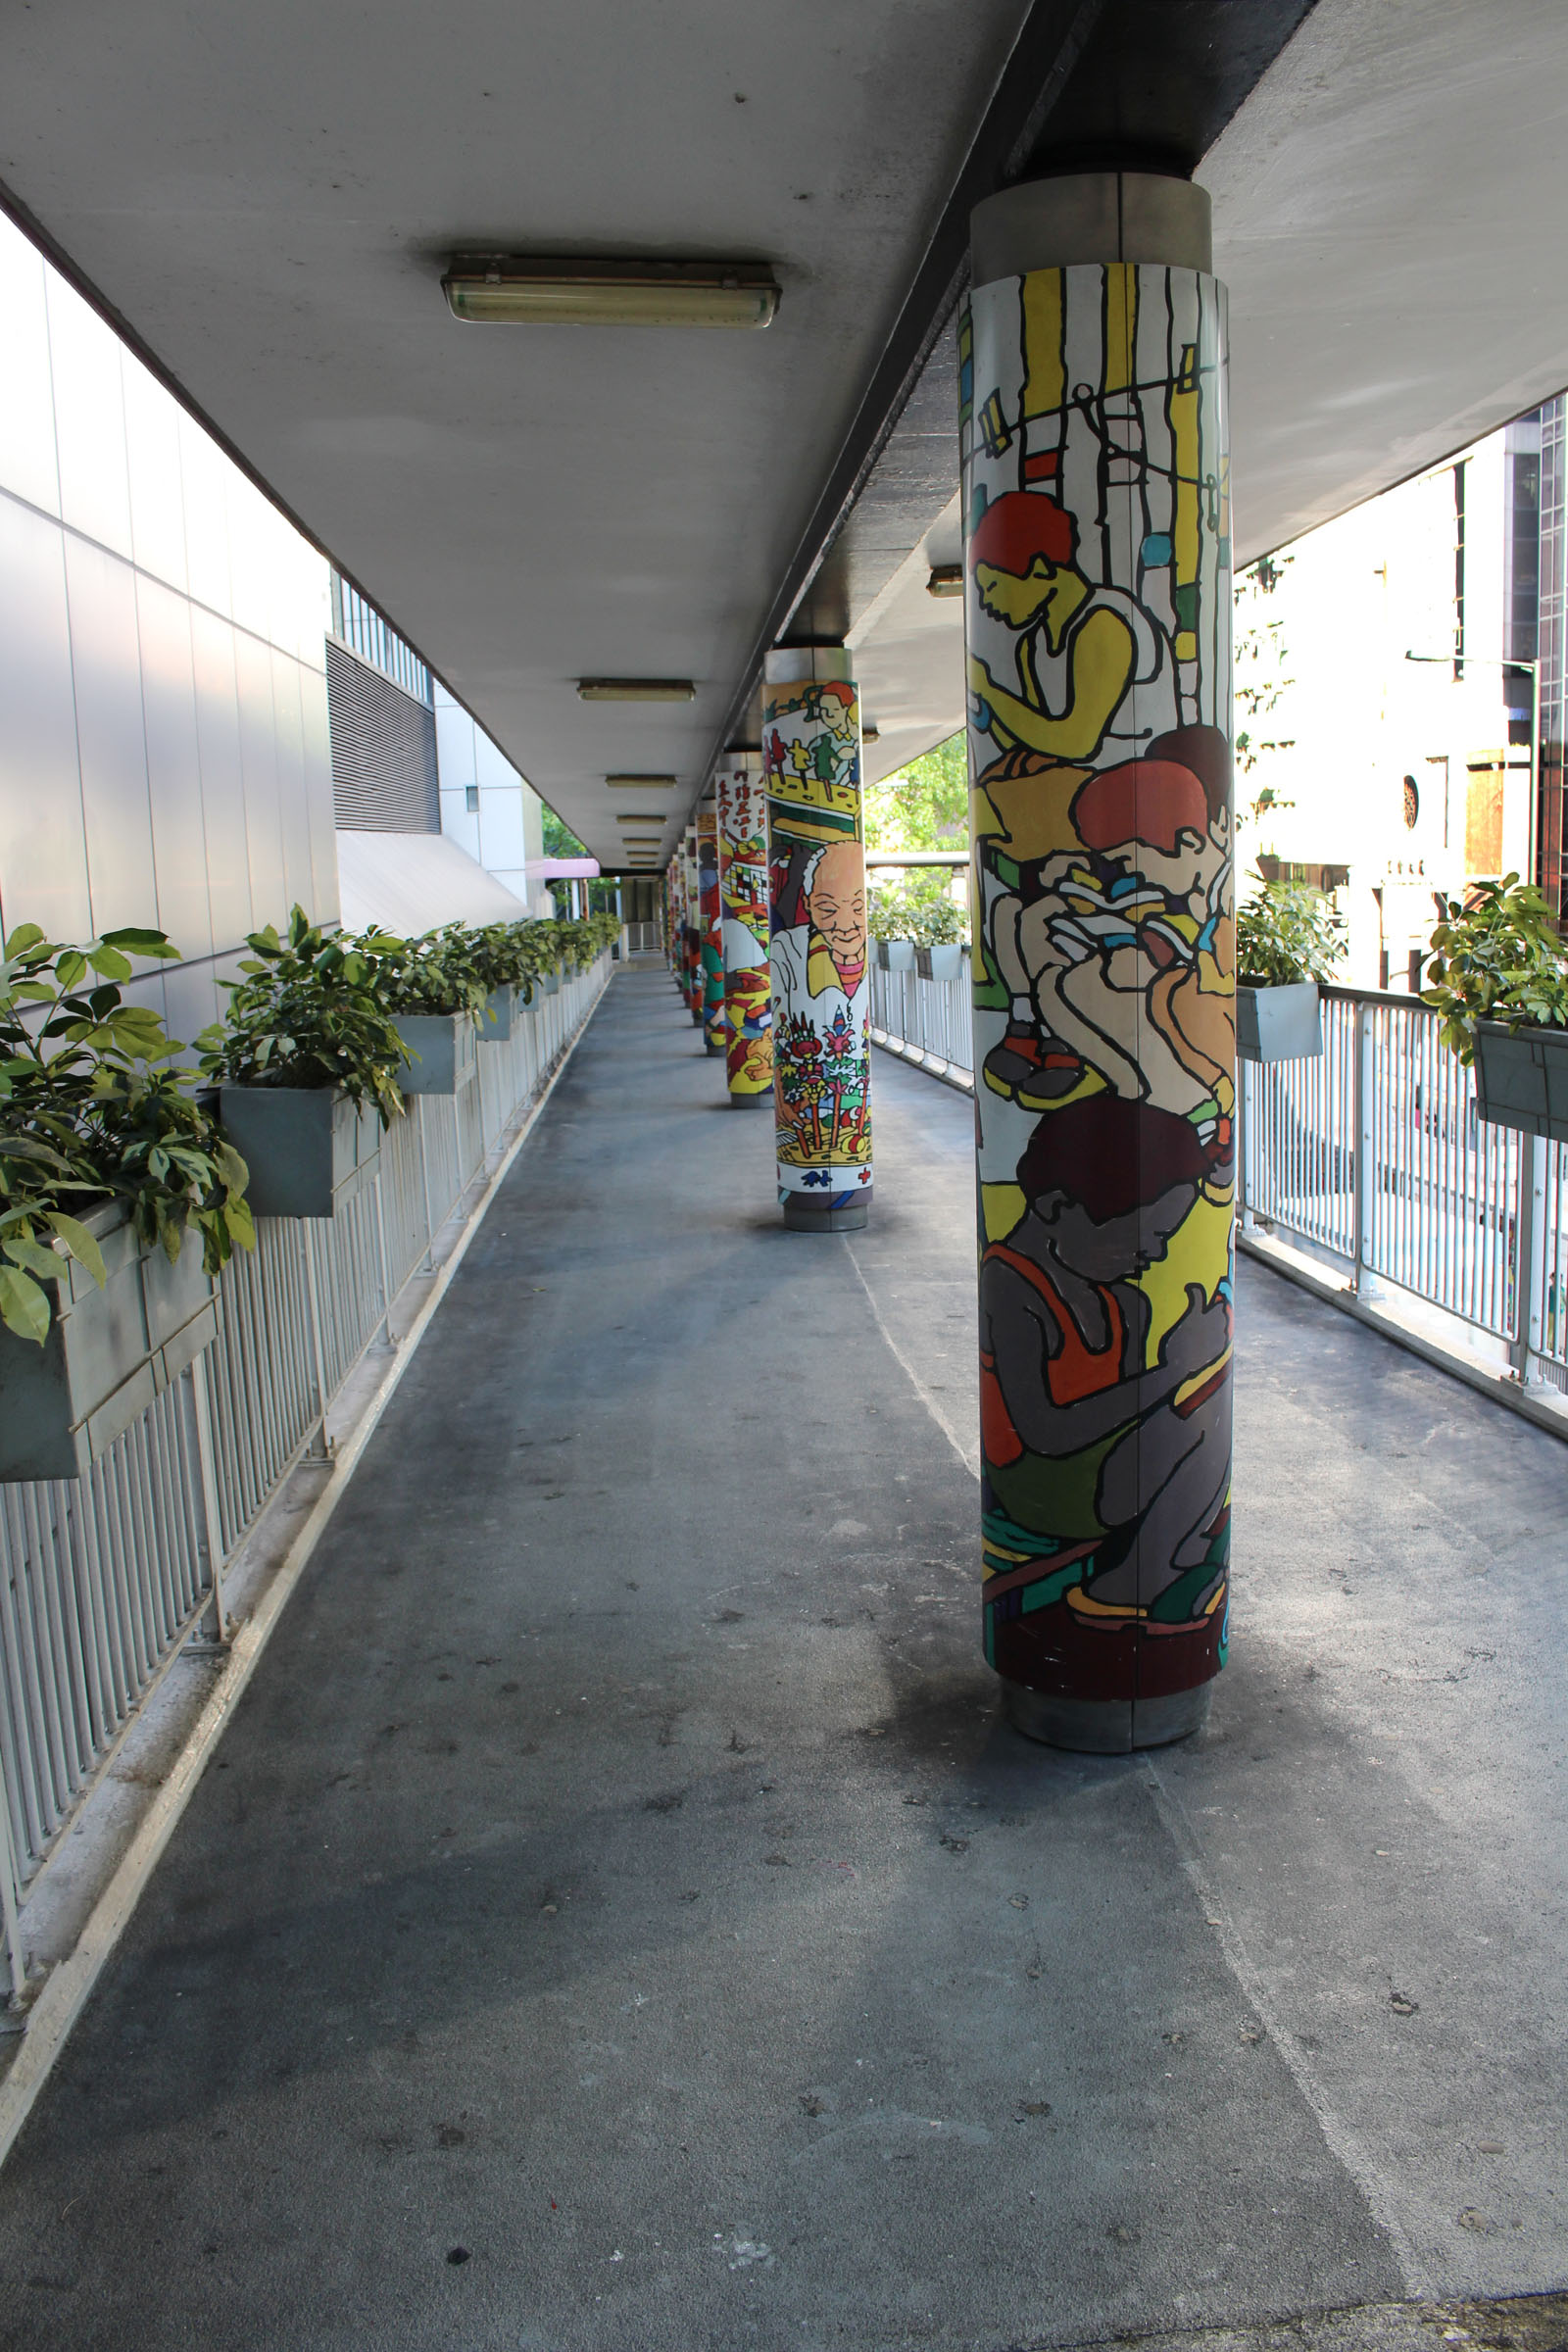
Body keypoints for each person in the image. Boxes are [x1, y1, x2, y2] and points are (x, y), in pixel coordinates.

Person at [978, 1096, 1231, 1626]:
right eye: (1147, 1234)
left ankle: (1163, 1561)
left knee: (1203, 1423)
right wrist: (1172, 1371)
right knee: (1197, 1436)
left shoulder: (1126, 1304)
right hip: (1035, 1484)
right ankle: (1129, 1585)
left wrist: (1179, 1381)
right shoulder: (1010, 1283)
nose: (1156, 1254)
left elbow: (1131, 1417)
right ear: (1055, 1207)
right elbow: (1046, 1431)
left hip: (1101, 1472)